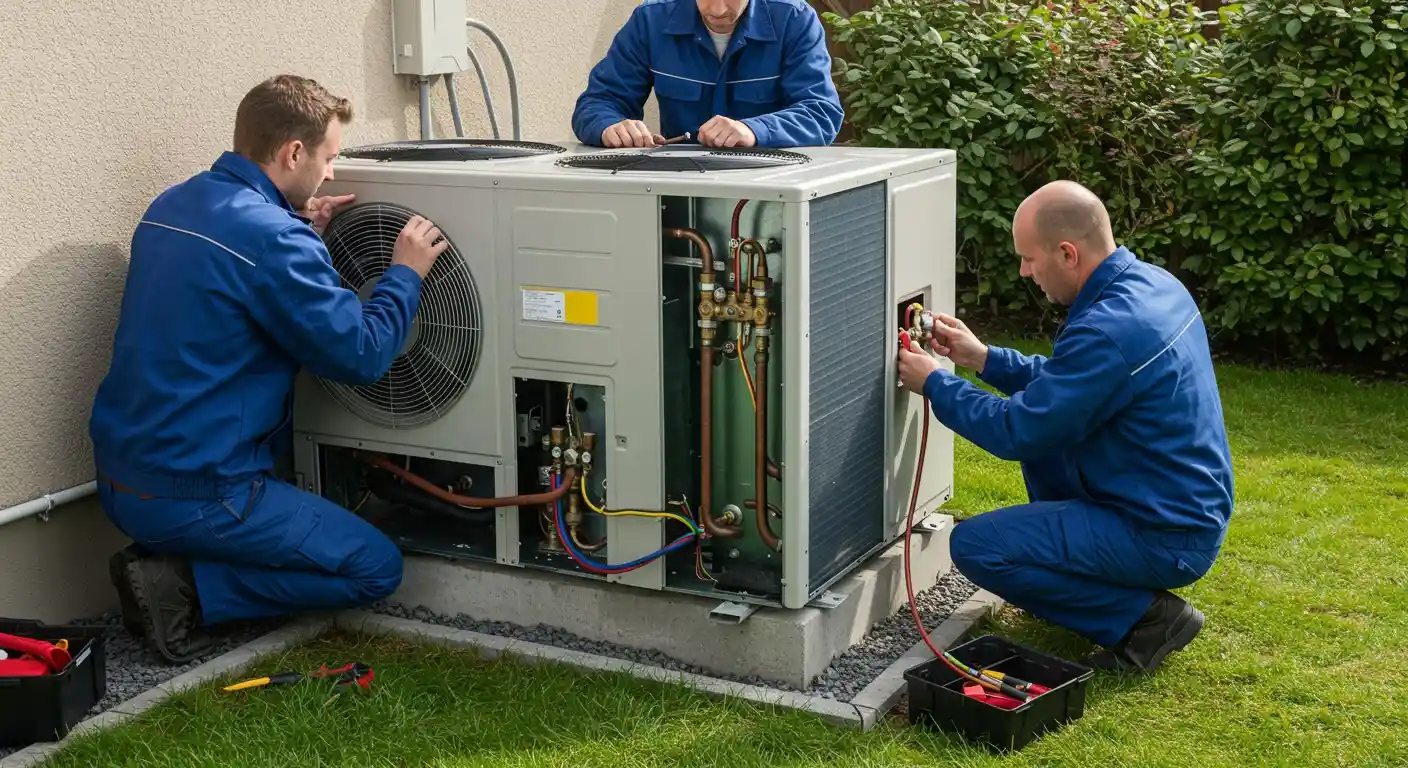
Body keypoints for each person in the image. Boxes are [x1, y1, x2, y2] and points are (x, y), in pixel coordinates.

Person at [88, 75, 449, 664]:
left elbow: (230, 292)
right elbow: (361, 353)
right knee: (376, 569)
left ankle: (174, 562)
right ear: (293, 153)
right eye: (329, 157)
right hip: (199, 494)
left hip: (119, 480)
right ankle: (185, 590)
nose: (331, 173)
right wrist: (404, 272)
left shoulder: (172, 203)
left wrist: (303, 231)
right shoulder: (275, 240)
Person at [896, 180, 1235, 673]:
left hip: (1165, 533)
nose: (1024, 271)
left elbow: (1018, 430)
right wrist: (986, 359)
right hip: (1179, 507)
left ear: (1068, 253)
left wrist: (936, 385)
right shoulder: (1154, 287)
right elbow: (1071, 387)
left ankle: (1146, 619)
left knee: (977, 546)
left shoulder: (1107, 330)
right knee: (1051, 445)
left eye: (1029, 259)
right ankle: (1095, 578)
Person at [570, 0, 844, 149]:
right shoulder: (649, 21)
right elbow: (597, 102)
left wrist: (754, 130)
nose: (718, 9)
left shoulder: (795, 20)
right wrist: (610, 126)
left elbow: (821, 113)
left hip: (776, 185)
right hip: (677, 190)